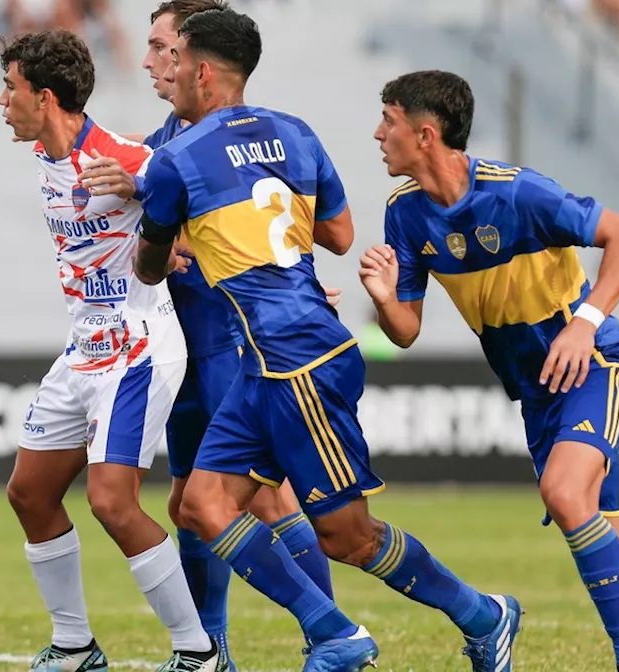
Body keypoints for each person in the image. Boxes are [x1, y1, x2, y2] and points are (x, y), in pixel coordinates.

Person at [135, 10, 521, 672]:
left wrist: (176, 236)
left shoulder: (175, 159)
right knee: (200, 505)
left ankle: (484, 615)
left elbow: (148, 265)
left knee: (348, 536)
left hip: (297, 356)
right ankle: (333, 631)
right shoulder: (296, 132)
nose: (166, 73)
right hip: (268, 360)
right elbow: (339, 235)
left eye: (176, 62)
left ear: (203, 72)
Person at [360, 69, 619, 672]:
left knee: (563, 491)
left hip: (597, 361)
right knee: (608, 545)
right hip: (538, 391)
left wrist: (583, 324)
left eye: (389, 122)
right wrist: (382, 297)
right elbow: (405, 332)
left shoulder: (517, 193)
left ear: (425, 135)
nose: (377, 133)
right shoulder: (405, 215)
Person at [74, 2, 337, 665]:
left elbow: (250, 231)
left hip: (229, 340)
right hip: (181, 342)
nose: (150, 61)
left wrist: (289, 282)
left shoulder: (235, 143)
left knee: (266, 498)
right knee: (187, 499)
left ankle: (327, 634)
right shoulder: (165, 143)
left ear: (197, 59)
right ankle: (211, 647)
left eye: (163, 47)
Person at [0, 29, 226, 672]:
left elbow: (211, 209)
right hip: (83, 348)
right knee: (29, 494)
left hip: (138, 348)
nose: (0, 101)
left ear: (43, 97)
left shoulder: (129, 155)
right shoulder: (45, 158)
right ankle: (74, 645)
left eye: (9, 88)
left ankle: (197, 652)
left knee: (111, 501)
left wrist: (148, 198)